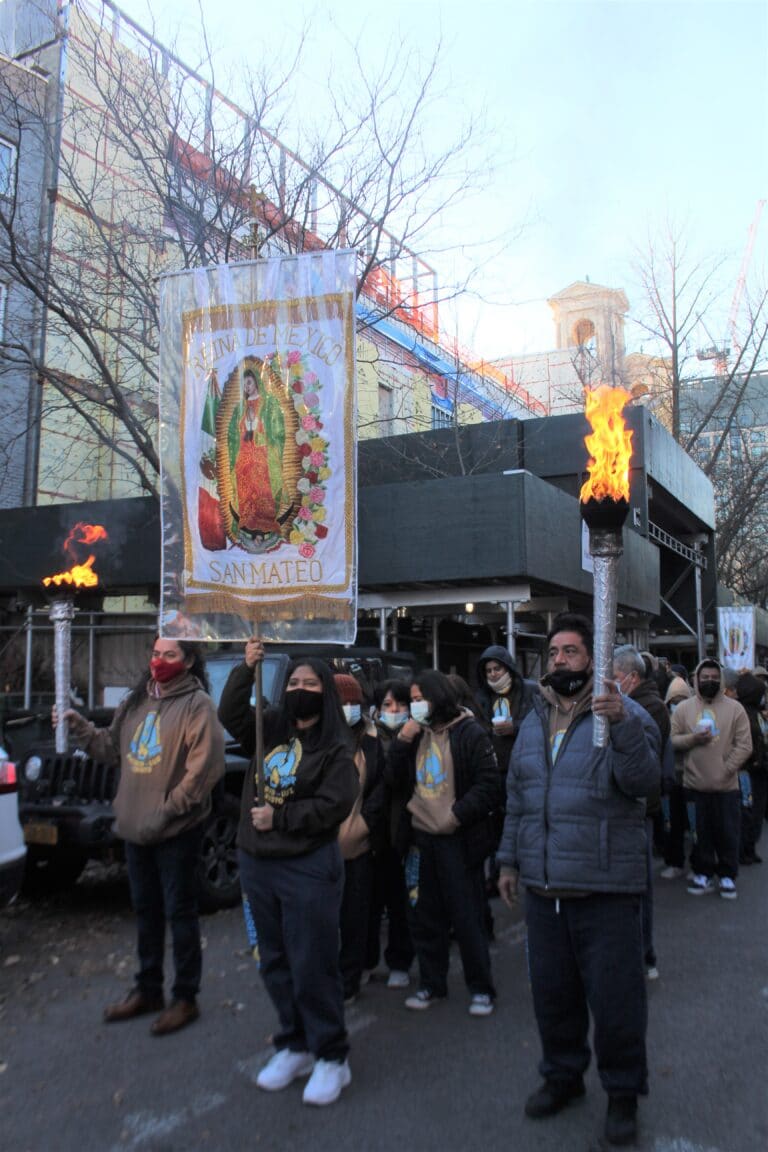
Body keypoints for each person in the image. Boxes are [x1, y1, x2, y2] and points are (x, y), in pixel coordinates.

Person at [498, 612, 659, 1149]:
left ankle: (621, 1095)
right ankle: (562, 1077)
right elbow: (519, 800)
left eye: (570, 651)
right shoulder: (533, 720)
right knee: (553, 998)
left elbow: (645, 784)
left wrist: (625, 727)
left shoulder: (625, 713)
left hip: (605, 889)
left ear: (593, 657)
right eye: (553, 653)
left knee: (616, 1004)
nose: (560, 660)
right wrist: (508, 862)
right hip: (545, 891)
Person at [57, 638, 225, 1035]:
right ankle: (148, 989)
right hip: (135, 831)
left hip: (176, 832)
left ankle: (185, 997)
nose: (159, 661)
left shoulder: (197, 706)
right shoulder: (135, 702)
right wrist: (79, 727)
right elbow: (109, 748)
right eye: (155, 653)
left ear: (187, 661)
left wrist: (164, 814)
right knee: (145, 912)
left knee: (179, 913)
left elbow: (202, 774)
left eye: (170, 655)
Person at [218, 641, 358, 1107]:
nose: (301, 689)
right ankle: (295, 1044)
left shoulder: (337, 746)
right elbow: (231, 711)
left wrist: (279, 819)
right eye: (294, 682)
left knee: (312, 961)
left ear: (326, 693)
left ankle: (331, 1056)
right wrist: (246, 667)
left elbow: (334, 805)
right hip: (259, 864)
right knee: (274, 960)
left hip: (307, 868)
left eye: (310, 684)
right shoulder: (270, 727)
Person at [386, 669, 500, 1017]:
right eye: (413, 699)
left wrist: (457, 815)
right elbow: (392, 780)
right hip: (422, 839)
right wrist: (402, 743)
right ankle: (431, 984)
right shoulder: (415, 734)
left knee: (466, 918)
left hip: (458, 839)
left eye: (421, 699)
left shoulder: (469, 733)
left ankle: (481, 988)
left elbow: (488, 784)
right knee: (425, 916)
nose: (416, 705)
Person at [671, 659, 752, 899]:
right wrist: (692, 740)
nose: (709, 681)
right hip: (694, 785)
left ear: (721, 679)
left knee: (728, 833)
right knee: (699, 833)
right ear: (696, 678)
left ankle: (727, 875)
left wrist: (726, 769)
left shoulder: (735, 709)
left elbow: (744, 745)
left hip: (727, 787)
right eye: (704, 677)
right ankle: (702, 872)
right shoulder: (684, 708)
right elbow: (672, 740)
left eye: (714, 677)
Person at [612, 644, 669, 981]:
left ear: (631, 678)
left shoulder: (649, 708)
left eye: (615, 678)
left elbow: (646, 763)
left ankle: (644, 955)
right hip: (631, 807)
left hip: (640, 809)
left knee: (639, 887)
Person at [333, 673, 385, 1004]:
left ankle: (349, 981)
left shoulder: (371, 740)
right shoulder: (315, 738)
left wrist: (363, 825)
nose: (349, 709)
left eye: (354, 703)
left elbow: (380, 788)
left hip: (359, 845)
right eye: (342, 702)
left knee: (354, 918)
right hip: (320, 848)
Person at [367, 679, 415, 988]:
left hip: (403, 834)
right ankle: (366, 961)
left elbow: (398, 780)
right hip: (370, 833)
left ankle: (400, 962)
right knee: (368, 904)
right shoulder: (365, 738)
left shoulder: (417, 738)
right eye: (387, 705)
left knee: (401, 904)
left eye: (400, 704)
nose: (394, 710)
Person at [659, 676, 694, 879]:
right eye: (673, 701)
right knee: (672, 824)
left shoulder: (695, 716)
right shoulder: (664, 717)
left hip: (691, 778)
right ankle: (674, 861)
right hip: (672, 779)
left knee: (695, 824)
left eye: (681, 701)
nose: (677, 706)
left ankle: (698, 866)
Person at [735, 673, 767, 865]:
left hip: (760, 770)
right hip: (747, 771)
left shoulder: (757, 714)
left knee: (756, 812)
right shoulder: (743, 714)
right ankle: (743, 849)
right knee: (747, 811)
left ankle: (750, 847)